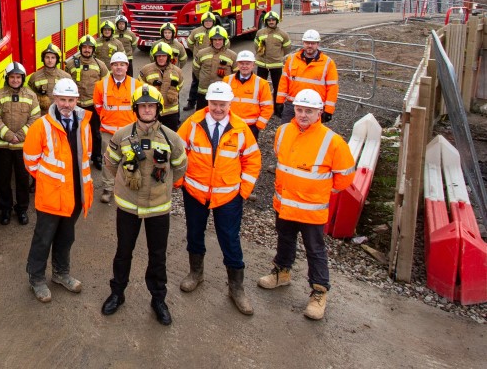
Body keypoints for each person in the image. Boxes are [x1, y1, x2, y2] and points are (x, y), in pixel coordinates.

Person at [257, 89, 355, 320]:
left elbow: (345, 176)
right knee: (285, 240)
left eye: (308, 111)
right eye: (300, 109)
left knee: (315, 249)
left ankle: (319, 291)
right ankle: (282, 272)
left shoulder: (332, 141)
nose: (303, 115)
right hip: (285, 204)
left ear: (319, 112)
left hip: (312, 209)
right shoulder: (282, 132)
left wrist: (321, 190)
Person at [100, 85, 187, 325]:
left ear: (158, 109)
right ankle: (117, 293)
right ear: (135, 108)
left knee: (157, 256)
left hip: (159, 209)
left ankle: (158, 299)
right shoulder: (121, 136)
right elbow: (110, 164)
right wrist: (127, 179)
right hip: (128, 207)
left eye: (151, 106)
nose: (147, 110)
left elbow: (180, 168)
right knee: (123, 252)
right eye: (142, 105)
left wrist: (162, 184)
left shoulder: (172, 138)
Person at [176, 81, 261, 315]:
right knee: (194, 234)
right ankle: (196, 274)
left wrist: (243, 191)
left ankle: (236, 288)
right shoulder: (192, 124)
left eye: (222, 104)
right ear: (208, 102)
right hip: (195, 192)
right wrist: (179, 181)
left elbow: (252, 161)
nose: (218, 109)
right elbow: (177, 153)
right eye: (214, 103)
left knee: (230, 240)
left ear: (229, 104)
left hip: (228, 196)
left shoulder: (241, 128)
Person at [23, 78, 94, 303]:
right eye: (62, 99)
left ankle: (61, 274)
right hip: (52, 195)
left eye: (71, 100)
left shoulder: (83, 124)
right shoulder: (41, 126)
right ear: (55, 99)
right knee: (43, 238)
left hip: (75, 193)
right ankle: (36, 278)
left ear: (77, 101)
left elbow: (87, 155)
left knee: (66, 236)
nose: (67, 104)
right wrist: (50, 181)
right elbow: (30, 161)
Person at [0, 62, 41, 225]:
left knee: (22, 180)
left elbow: (35, 117)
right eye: (12, 77)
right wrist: (9, 135)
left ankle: (22, 209)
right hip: (2, 146)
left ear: (23, 78)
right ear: (7, 78)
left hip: (22, 146)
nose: (15, 80)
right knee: (2, 179)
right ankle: (5, 209)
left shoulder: (31, 96)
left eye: (18, 77)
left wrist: (19, 135)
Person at [93, 52, 143, 204]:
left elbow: (141, 107)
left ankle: (127, 187)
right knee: (108, 161)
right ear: (111, 67)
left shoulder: (137, 85)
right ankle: (108, 188)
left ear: (127, 67)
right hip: (108, 132)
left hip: (130, 132)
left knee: (130, 159)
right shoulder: (101, 85)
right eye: (116, 65)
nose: (119, 67)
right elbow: (98, 106)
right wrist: (107, 119)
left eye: (122, 64)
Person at [275, 29, 338, 123]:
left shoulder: (328, 63)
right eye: (307, 43)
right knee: (286, 133)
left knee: (311, 136)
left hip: (314, 107)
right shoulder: (292, 59)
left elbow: (332, 88)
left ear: (318, 44)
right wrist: (279, 102)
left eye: (313, 43)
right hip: (292, 105)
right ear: (303, 43)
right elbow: (284, 81)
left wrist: (329, 110)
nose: (310, 45)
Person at [65, 35, 108, 170]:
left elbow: (106, 86)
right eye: (85, 47)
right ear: (80, 48)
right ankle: (74, 157)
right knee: (74, 132)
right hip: (75, 106)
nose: (87, 50)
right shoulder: (70, 64)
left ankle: (97, 157)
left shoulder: (100, 65)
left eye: (90, 47)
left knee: (95, 133)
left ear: (93, 49)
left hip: (93, 106)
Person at [223, 50, 273, 139]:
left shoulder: (262, 83)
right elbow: (221, 102)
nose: (244, 66)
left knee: (249, 152)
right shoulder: (227, 80)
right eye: (242, 63)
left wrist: (259, 126)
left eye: (247, 63)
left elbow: (267, 107)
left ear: (253, 65)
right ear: (237, 65)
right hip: (229, 124)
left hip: (251, 127)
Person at [138, 42, 183, 132]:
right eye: (158, 56)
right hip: (152, 111)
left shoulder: (177, 71)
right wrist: (152, 89)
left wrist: (174, 90)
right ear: (154, 57)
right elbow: (139, 87)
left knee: (170, 137)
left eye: (163, 55)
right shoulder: (146, 70)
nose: (161, 58)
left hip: (171, 111)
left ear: (168, 57)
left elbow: (180, 85)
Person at [192, 26, 236, 110]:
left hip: (223, 93)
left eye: (220, 40)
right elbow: (196, 69)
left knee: (221, 115)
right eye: (215, 40)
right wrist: (202, 78)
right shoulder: (201, 53)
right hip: (204, 91)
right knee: (201, 117)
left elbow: (236, 74)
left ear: (224, 40)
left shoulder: (232, 55)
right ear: (211, 41)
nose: (217, 42)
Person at [183, 12, 219, 111]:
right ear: (202, 22)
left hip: (213, 62)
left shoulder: (217, 31)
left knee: (212, 81)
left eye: (210, 21)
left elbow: (225, 45)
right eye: (206, 21)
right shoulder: (196, 31)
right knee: (196, 82)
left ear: (213, 22)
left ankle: (212, 103)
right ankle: (191, 102)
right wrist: (196, 53)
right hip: (199, 62)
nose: (208, 23)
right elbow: (189, 43)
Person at [253, 11, 291, 99]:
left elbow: (287, 48)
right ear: (266, 21)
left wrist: (278, 55)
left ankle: (277, 108)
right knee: (260, 87)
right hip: (262, 64)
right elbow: (256, 46)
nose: (271, 22)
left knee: (277, 87)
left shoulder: (283, 34)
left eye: (273, 20)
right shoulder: (260, 33)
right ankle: (260, 105)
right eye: (269, 20)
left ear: (277, 21)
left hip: (276, 65)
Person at [27, 44, 71, 115]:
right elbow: (29, 98)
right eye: (47, 57)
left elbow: (71, 97)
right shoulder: (35, 77)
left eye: (53, 57)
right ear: (43, 59)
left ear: (57, 59)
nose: (50, 60)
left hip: (60, 115)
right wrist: (40, 99)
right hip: (42, 116)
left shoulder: (66, 77)